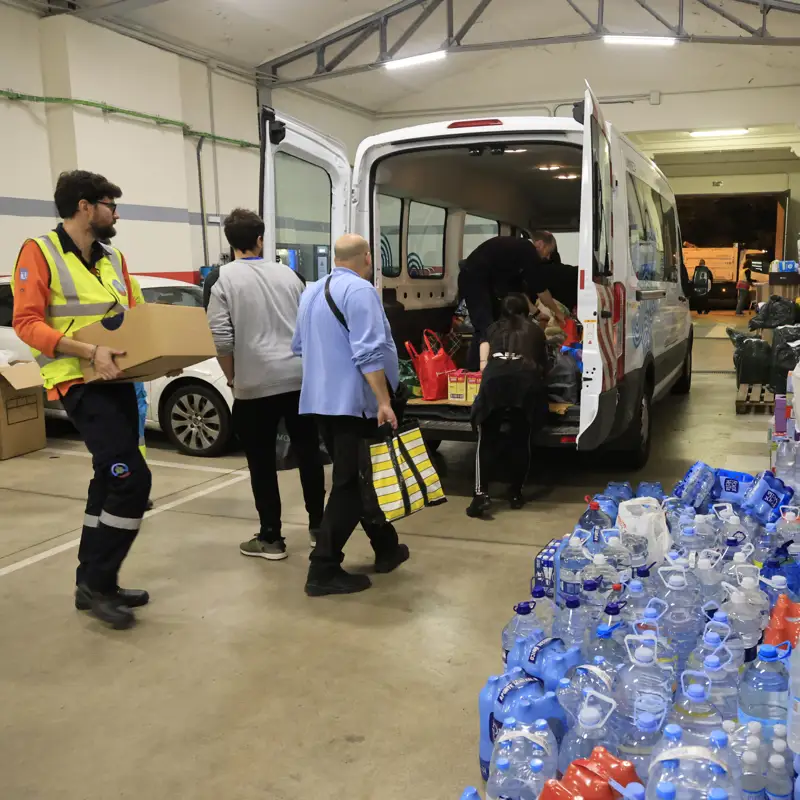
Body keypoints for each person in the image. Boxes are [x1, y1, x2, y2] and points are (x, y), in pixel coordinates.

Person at [11, 170, 150, 630]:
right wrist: (89, 351)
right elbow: (27, 323)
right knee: (130, 480)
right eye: (111, 204)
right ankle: (101, 583)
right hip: (78, 383)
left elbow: (137, 316)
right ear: (86, 207)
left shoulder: (113, 258)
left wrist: (160, 356)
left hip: (119, 382)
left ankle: (88, 583)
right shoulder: (39, 252)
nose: (116, 214)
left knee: (106, 481)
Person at [292, 234, 409, 596]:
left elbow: (298, 346)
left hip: (320, 402)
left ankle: (386, 548)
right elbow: (369, 352)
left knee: (358, 478)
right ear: (367, 258)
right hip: (354, 405)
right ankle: (323, 568)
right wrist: (384, 401)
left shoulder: (311, 291)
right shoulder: (360, 292)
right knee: (350, 486)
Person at [207, 208, 325, 560]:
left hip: (254, 386)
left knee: (261, 462)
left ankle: (271, 538)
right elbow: (308, 325)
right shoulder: (290, 275)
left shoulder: (220, 279)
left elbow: (222, 339)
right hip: (298, 380)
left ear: (230, 243)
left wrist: (232, 378)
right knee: (309, 454)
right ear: (260, 239)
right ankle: (320, 528)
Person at [467, 294, 549, 518]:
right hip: (526, 384)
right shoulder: (536, 331)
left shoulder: (493, 328)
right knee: (521, 439)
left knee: (487, 439)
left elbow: (483, 365)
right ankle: (515, 494)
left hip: (494, 383)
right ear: (525, 310)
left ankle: (481, 494)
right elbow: (545, 366)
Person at [458, 233, 570, 371]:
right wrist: (558, 313)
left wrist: (536, 314)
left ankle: (484, 369)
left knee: (493, 326)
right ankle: (479, 373)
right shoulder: (527, 251)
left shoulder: (514, 255)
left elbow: (519, 293)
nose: (547, 257)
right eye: (549, 252)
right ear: (540, 244)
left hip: (482, 281)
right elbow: (542, 292)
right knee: (486, 327)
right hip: (474, 279)